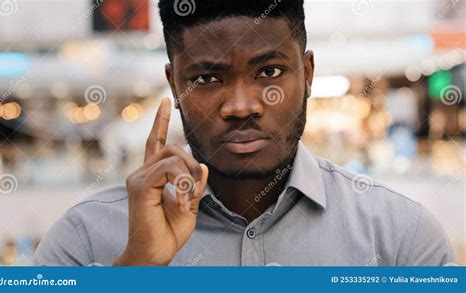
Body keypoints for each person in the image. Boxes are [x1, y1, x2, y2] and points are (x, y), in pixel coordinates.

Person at [35, 0, 456, 266]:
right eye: (206, 78)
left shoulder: (401, 239)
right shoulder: (84, 242)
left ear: (307, 74)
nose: (242, 106)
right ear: (174, 85)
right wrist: (137, 271)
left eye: (269, 72)